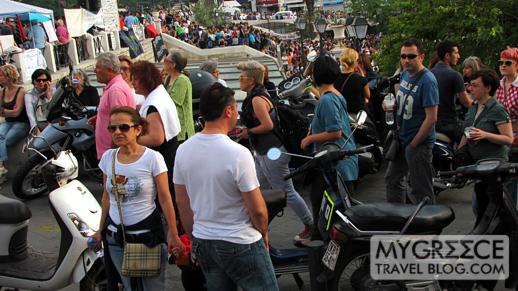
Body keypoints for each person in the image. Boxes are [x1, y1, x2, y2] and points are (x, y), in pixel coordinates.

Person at [174, 83, 278, 291]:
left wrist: (195, 239)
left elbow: (182, 203)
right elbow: (257, 209)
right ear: (228, 111)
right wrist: (263, 233)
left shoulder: (183, 150)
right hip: (240, 240)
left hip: (205, 239)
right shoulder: (237, 153)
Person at [91, 106, 185, 291]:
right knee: (129, 286)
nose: (117, 132)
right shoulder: (108, 158)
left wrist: (173, 233)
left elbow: (165, 198)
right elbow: (107, 197)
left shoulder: (152, 158)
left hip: (146, 237)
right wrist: (99, 230)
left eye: (124, 127)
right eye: (113, 128)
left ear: (138, 129)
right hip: (116, 238)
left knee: (152, 288)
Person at [235, 60, 314, 243]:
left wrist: (249, 132)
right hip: (264, 152)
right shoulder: (257, 95)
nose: (240, 80)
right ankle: (260, 227)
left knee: (287, 191)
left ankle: (311, 225)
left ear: (252, 80)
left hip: (272, 153)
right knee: (260, 188)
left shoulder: (256, 99)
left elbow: (268, 125)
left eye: (242, 77)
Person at [300, 55, 358, 236]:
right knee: (321, 202)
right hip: (335, 161)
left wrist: (309, 139)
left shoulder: (327, 100)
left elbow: (335, 132)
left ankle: (321, 245)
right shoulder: (333, 94)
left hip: (337, 163)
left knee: (325, 206)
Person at [384, 38, 439, 204]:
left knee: (421, 190)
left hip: (418, 144)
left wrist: (414, 144)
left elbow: (431, 118)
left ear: (421, 56)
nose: (406, 60)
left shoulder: (428, 80)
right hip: (402, 139)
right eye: (403, 56)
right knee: (392, 180)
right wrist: (390, 105)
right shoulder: (405, 74)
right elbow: (400, 101)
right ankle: (398, 218)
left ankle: (428, 226)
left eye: (411, 56)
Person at [456, 69, 513, 220]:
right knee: (480, 205)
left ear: (488, 88)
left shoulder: (497, 110)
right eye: (470, 85)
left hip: (494, 167)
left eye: (475, 85)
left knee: (491, 207)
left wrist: (485, 135)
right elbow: (466, 132)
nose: (470, 89)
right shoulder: (473, 107)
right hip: (478, 166)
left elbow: (508, 139)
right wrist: (459, 157)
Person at [88, 52, 135, 160]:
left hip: (113, 154)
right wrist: (100, 117)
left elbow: (121, 123)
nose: (95, 71)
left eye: (98, 67)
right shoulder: (113, 87)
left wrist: (117, 156)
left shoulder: (115, 90)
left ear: (109, 69)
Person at [431, 40, 472, 143]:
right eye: (456, 53)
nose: (459, 56)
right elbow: (467, 103)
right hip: (449, 124)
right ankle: (459, 157)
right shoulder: (454, 75)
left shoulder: (429, 74)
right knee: (474, 135)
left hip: (431, 124)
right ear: (447, 56)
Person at [0, 64, 29, 180]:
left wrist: (4, 111)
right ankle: (1, 167)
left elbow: (17, 113)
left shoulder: (21, 90)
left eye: (1, 75)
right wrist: (8, 111)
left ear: (8, 76)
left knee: (5, 141)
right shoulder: (2, 91)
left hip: (22, 123)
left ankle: (2, 168)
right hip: (8, 122)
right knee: (0, 136)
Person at [163, 50, 195, 142]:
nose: (163, 62)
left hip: (182, 129)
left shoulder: (182, 80)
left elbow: (172, 102)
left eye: (166, 60)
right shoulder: (168, 78)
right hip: (172, 127)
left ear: (173, 65)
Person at [334, 47, 370, 115]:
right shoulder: (360, 79)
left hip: (342, 114)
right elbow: (368, 95)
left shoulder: (335, 78)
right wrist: (361, 73)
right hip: (359, 115)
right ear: (355, 62)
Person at [495, 47, 518, 146]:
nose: (503, 66)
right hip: (499, 135)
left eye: (508, 63)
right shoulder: (497, 86)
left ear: (517, 65)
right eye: (501, 63)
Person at [24, 69, 55, 134]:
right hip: (40, 123)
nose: (41, 82)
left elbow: (54, 109)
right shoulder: (29, 95)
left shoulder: (53, 90)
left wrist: (48, 96)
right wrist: (35, 128)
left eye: (44, 80)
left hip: (53, 120)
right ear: (34, 82)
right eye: (38, 80)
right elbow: (30, 114)